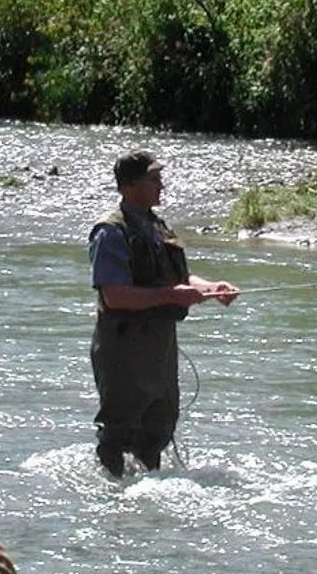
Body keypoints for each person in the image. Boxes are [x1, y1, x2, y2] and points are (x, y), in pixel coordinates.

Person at [88, 150, 237, 475]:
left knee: (159, 426)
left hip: (159, 346)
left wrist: (211, 289)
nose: (162, 186)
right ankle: (113, 499)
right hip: (123, 347)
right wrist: (173, 295)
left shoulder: (157, 227)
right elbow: (114, 297)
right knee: (119, 430)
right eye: (153, 179)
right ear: (129, 186)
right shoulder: (110, 232)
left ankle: (148, 498)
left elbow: (178, 281)